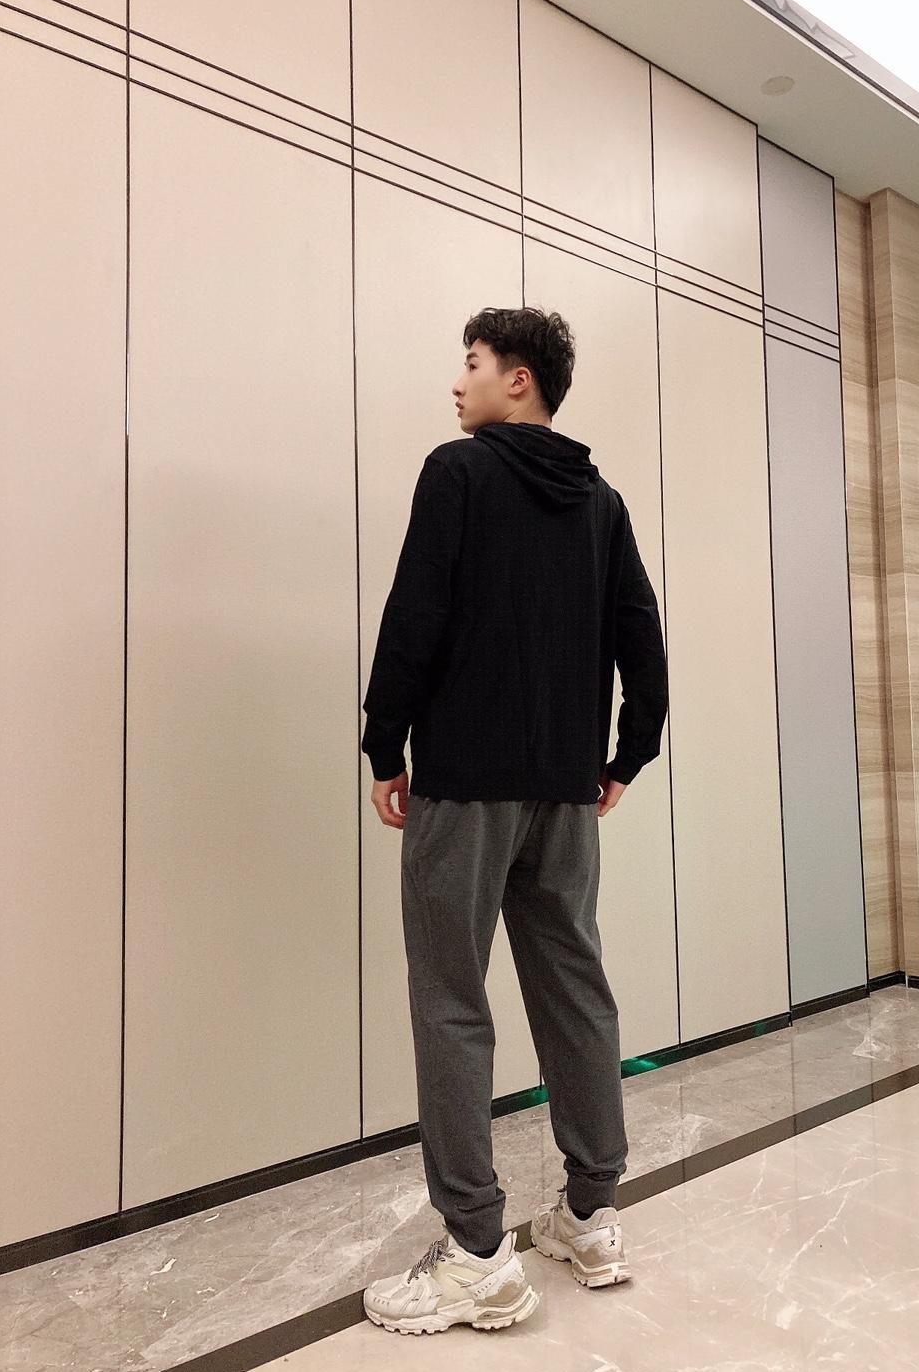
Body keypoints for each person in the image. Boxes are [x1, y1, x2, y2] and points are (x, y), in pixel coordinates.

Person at [359, 306, 669, 1335]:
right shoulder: (600, 500)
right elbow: (641, 635)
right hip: (564, 791)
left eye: (474, 363)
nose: (459, 383)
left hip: (466, 787)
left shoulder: (458, 472)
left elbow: (417, 610)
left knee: (452, 997)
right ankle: (591, 1213)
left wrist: (385, 742)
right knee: (575, 986)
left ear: (519, 379)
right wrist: (625, 754)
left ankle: (478, 1252)